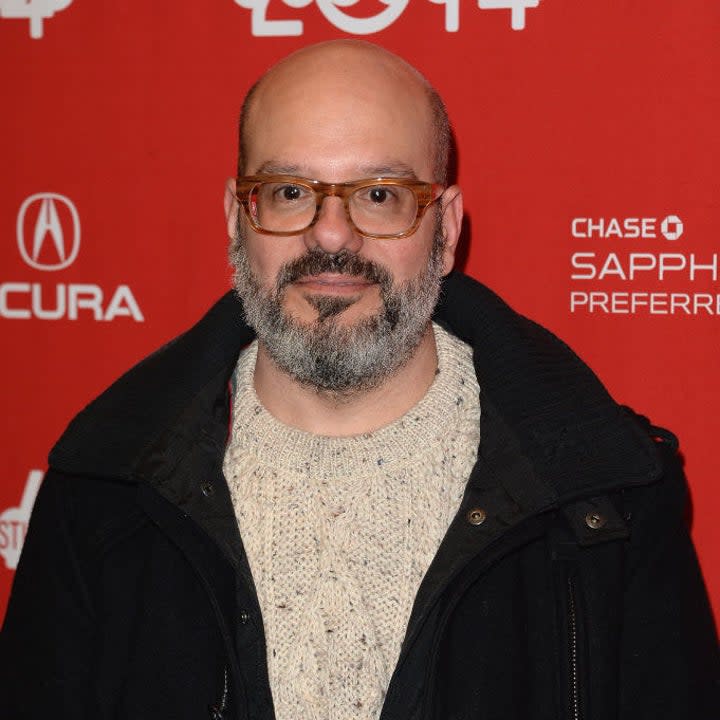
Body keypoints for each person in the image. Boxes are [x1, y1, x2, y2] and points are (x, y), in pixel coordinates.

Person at [1, 40, 718, 720]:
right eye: (288, 191)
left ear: (446, 229)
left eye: (380, 195)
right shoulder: (101, 488)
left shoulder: (607, 499)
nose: (332, 235)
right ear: (235, 219)